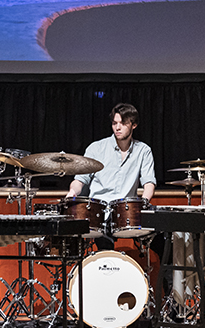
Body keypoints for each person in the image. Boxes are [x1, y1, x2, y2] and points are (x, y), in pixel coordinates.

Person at [67, 103, 156, 250]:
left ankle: (167, 271)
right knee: (104, 243)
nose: (117, 128)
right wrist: (72, 193)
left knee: (164, 233)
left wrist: (144, 204)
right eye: (115, 123)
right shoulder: (96, 148)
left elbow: (149, 183)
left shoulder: (143, 150)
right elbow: (80, 180)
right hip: (99, 213)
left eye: (123, 123)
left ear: (134, 125)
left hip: (127, 212)